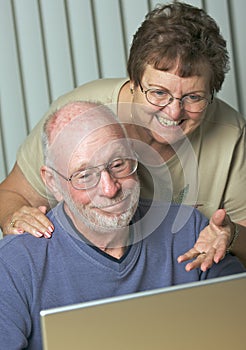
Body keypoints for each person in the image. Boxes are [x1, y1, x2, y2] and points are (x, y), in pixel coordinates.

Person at [0, 2, 246, 272]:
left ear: (212, 94)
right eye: (159, 93)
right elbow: (11, 194)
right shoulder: (77, 118)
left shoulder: (231, 132)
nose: (174, 112)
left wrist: (230, 234)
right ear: (133, 81)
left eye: (194, 97)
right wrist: (15, 216)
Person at [0, 101, 244, 349]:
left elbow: (238, 326)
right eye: (85, 175)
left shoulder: (188, 230)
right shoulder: (14, 264)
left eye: (118, 164)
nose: (109, 189)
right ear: (53, 183)